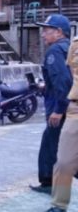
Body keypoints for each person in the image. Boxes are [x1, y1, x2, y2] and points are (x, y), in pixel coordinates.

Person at [37, 33, 78, 212]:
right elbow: (69, 75)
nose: (44, 34)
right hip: (75, 108)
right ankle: (59, 207)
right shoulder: (74, 44)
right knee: (64, 161)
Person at [30, 15, 72, 194]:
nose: (43, 35)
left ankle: (49, 183)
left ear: (59, 32)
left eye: (47, 31)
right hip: (70, 105)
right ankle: (48, 181)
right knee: (53, 143)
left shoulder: (54, 51)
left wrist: (58, 110)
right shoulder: (70, 48)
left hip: (60, 106)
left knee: (54, 146)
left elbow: (63, 82)